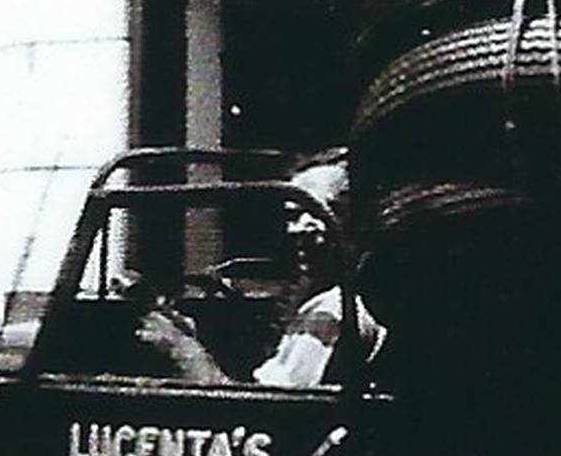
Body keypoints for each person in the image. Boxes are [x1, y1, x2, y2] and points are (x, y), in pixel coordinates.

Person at [136, 152, 383, 388]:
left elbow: (261, 413)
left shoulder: (332, 312)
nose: (297, 230)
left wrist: (180, 349)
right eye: (292, 216)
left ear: (356, 222)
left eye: (321, 212)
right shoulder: (328, 303)